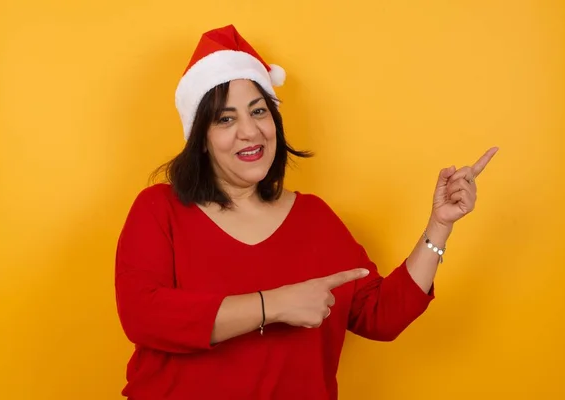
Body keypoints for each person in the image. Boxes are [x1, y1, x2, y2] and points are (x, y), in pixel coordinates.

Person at [114, 24, 498, 400]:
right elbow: (143, 315)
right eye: (226, 119)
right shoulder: (159, 209)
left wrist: (439, 224)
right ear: (201, 139)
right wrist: (274, 305)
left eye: (258, 112)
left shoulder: (314, 218)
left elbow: (381, 315)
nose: (250, 131)